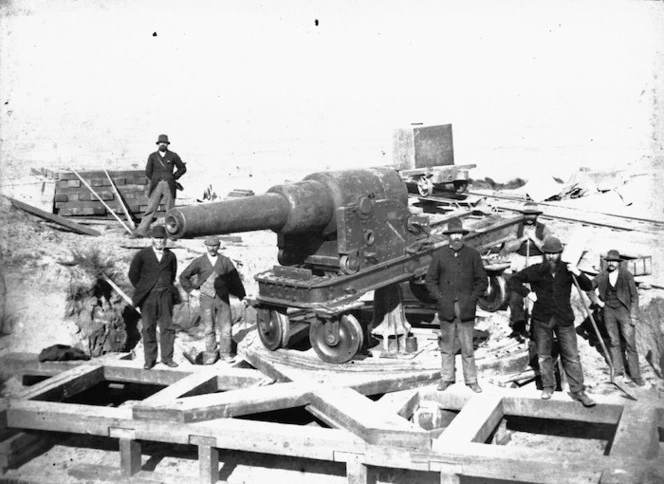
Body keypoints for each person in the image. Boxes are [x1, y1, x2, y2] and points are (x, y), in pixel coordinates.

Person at [507, 236, 596, 406]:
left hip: (564, 320)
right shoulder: (536, 270)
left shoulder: (568, 270)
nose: (551, 257)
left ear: (560, 254)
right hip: (542, 319)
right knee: (543, 356)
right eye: (548, 254)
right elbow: (513, 280)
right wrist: (528, 293)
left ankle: (578, 391)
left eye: (554, 254)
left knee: (571, 356)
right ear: (544, 254)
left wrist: (578, 272)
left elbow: (588, 286)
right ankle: (548, 386)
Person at [425, 217, 488, 393]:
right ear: (448, 237)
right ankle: (446, 378)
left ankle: (471, 380)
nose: (457, 237)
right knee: (447, 347)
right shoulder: (440, 256)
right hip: (446, 308)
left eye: (459, 233)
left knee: (468, 347)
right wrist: (441, 298)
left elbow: (482, 281)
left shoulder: (473, 255)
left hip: (466, 308)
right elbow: (430, 280)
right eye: (453, 234)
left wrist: (472, 299)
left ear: (463, 235)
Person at [179, 236, 247, 362]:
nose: (212, 248)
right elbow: (183, 276)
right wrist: (193, 291)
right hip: (206, 299)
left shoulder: (225, 261)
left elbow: (236, 280)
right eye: (210, 246)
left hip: (223, 299)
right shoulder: (199, 262)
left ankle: (226, 354)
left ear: (219, 246)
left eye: (215, 246)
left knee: (226, 328)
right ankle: (211, 354)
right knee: (209, 328)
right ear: (206, 246)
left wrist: (242, 296)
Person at [589, 250, 644, 386]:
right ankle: (618, 371)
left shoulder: (627, 275)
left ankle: (635, 375)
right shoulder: (602, 276)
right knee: (614, 342)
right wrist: (598, 302)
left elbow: (634, 297)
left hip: (624, 311)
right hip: (608, 311)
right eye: (609, 261)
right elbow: (588, 288)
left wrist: (633, 315)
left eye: (614, 261)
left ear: (619, 263)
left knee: (630, 344)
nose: (611, 263)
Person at [128, 225, 179, 369]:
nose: (159, 241)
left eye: (162, 238)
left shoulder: (171, 256)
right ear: (152, 239)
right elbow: (133, 275)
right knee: (148, 327)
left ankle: (167, 358)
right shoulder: (142, 255)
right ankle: (150, 360)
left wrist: (167, 289)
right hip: (148, 297)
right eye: (156, 238)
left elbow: (173, 274)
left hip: (166, 296)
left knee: (167, 327)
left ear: (165, 239)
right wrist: (143, 288)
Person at [502, 201, 551, 339]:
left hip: (537, 265)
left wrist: (534, 239)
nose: (529, 217)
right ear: (523, 215)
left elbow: (547, 248)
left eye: (532, 214)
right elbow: (508, 247)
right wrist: (523, 238)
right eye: (527, 214)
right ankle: (518, 327)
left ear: (537, 215)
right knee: (515, 298)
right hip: (520, 265)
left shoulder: (544, 229)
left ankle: (536, 329)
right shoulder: (516, 229)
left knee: (537, 298)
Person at [132, 134, 187, 238]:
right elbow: (148, 171)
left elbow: (182, 168)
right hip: (156, 185)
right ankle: (141, 231)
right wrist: (155, 179)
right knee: (150, 208)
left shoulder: (173, 155)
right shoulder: (152, 156)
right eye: (161, 143)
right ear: (158, 144)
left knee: (170, 210)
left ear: (167, 144)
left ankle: (172, 233)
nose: (163, 144)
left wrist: (173, 177)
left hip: (169, 185)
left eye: (165, 143)